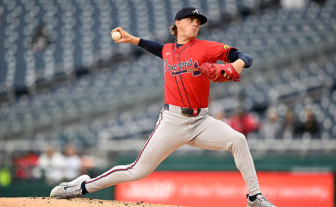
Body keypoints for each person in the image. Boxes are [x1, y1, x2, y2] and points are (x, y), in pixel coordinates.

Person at [50, 7, 275, 207]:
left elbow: (244, 55)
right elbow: (158, 48)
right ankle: (80, 187)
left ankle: (254, 197)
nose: (196, 23)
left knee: (238, 140)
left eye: (199, 21)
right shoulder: (168, 50)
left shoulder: (205, 48)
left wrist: (238, 64)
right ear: (177, 23)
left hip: (201, 121)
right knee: (137, 170)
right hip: (172, 121)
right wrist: (134, 40)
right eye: (191, 20)